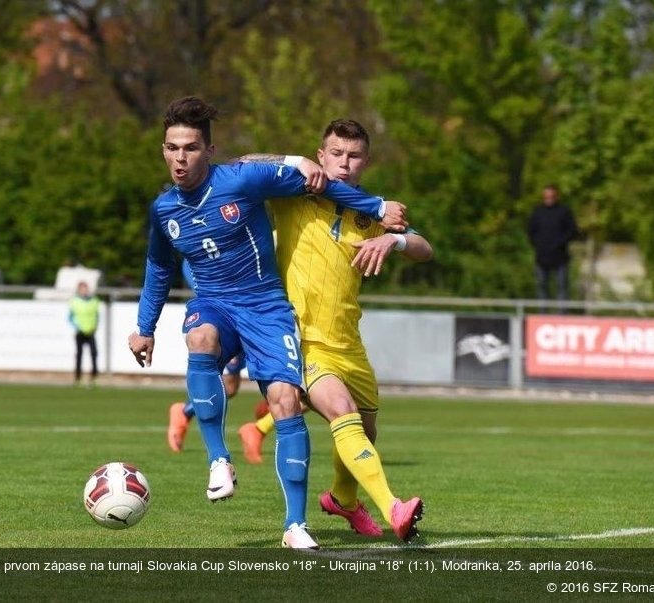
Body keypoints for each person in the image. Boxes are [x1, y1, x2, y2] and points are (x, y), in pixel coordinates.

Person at [127, 97, 406, 549]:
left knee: (285, 403)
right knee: (201, 337)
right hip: (215, 302)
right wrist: (145, 326)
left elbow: (320, 185)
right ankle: (219, 459)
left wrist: (373, 207)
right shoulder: (163, 211)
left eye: (191, 148)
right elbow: (158, 269)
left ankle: (295, 526)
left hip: (265, 306)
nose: (181, 157)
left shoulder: (239, 179)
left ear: (209, 151)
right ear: (163, 150)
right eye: (172, 148)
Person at [236, 119, 433, 543]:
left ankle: (343, 499)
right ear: (322, 156)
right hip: (301, 339)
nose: (344, 164)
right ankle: (393, 507)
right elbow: (240, 164)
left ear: (366, 161)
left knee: (367, 430)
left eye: (354, 156)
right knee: (342, 413)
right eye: (336, 154)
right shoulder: (294, 194)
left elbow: (424, 249)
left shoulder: (372, 211)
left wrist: (393, 241)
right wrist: (295, 162)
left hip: (349, 343)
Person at [166, 261, 266, 451]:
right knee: (226, 382)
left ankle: (185, 412)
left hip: (248, 311)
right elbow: (192, 269)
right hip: (226, 315)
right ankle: (185, 414)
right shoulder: (198, 245)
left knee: (232, 386)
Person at [527, 184, 578, 310]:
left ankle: (562, 316)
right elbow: (530, 231)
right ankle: (542, 315)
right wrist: (538, 244)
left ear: (556, 197)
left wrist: (559, 244)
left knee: (562, 287)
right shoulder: (537, 212)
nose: (548, 199)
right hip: (542, 257)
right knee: (541, 287)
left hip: (560, 257)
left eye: (551, 197)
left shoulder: (564, 212)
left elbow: (572, 231)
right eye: (546, 197)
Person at [69, 281, 100, 384]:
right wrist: (78, 326)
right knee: (79, 354)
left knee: (94, 353)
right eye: (82, 289)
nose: (85, 291)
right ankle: (77, 377)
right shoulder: (74, 301)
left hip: (91, 331)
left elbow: (96, 315)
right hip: (80, 331)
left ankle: (94, 377)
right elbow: (70, 317)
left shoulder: (94, 300)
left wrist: (95, 326)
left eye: (86, 288)